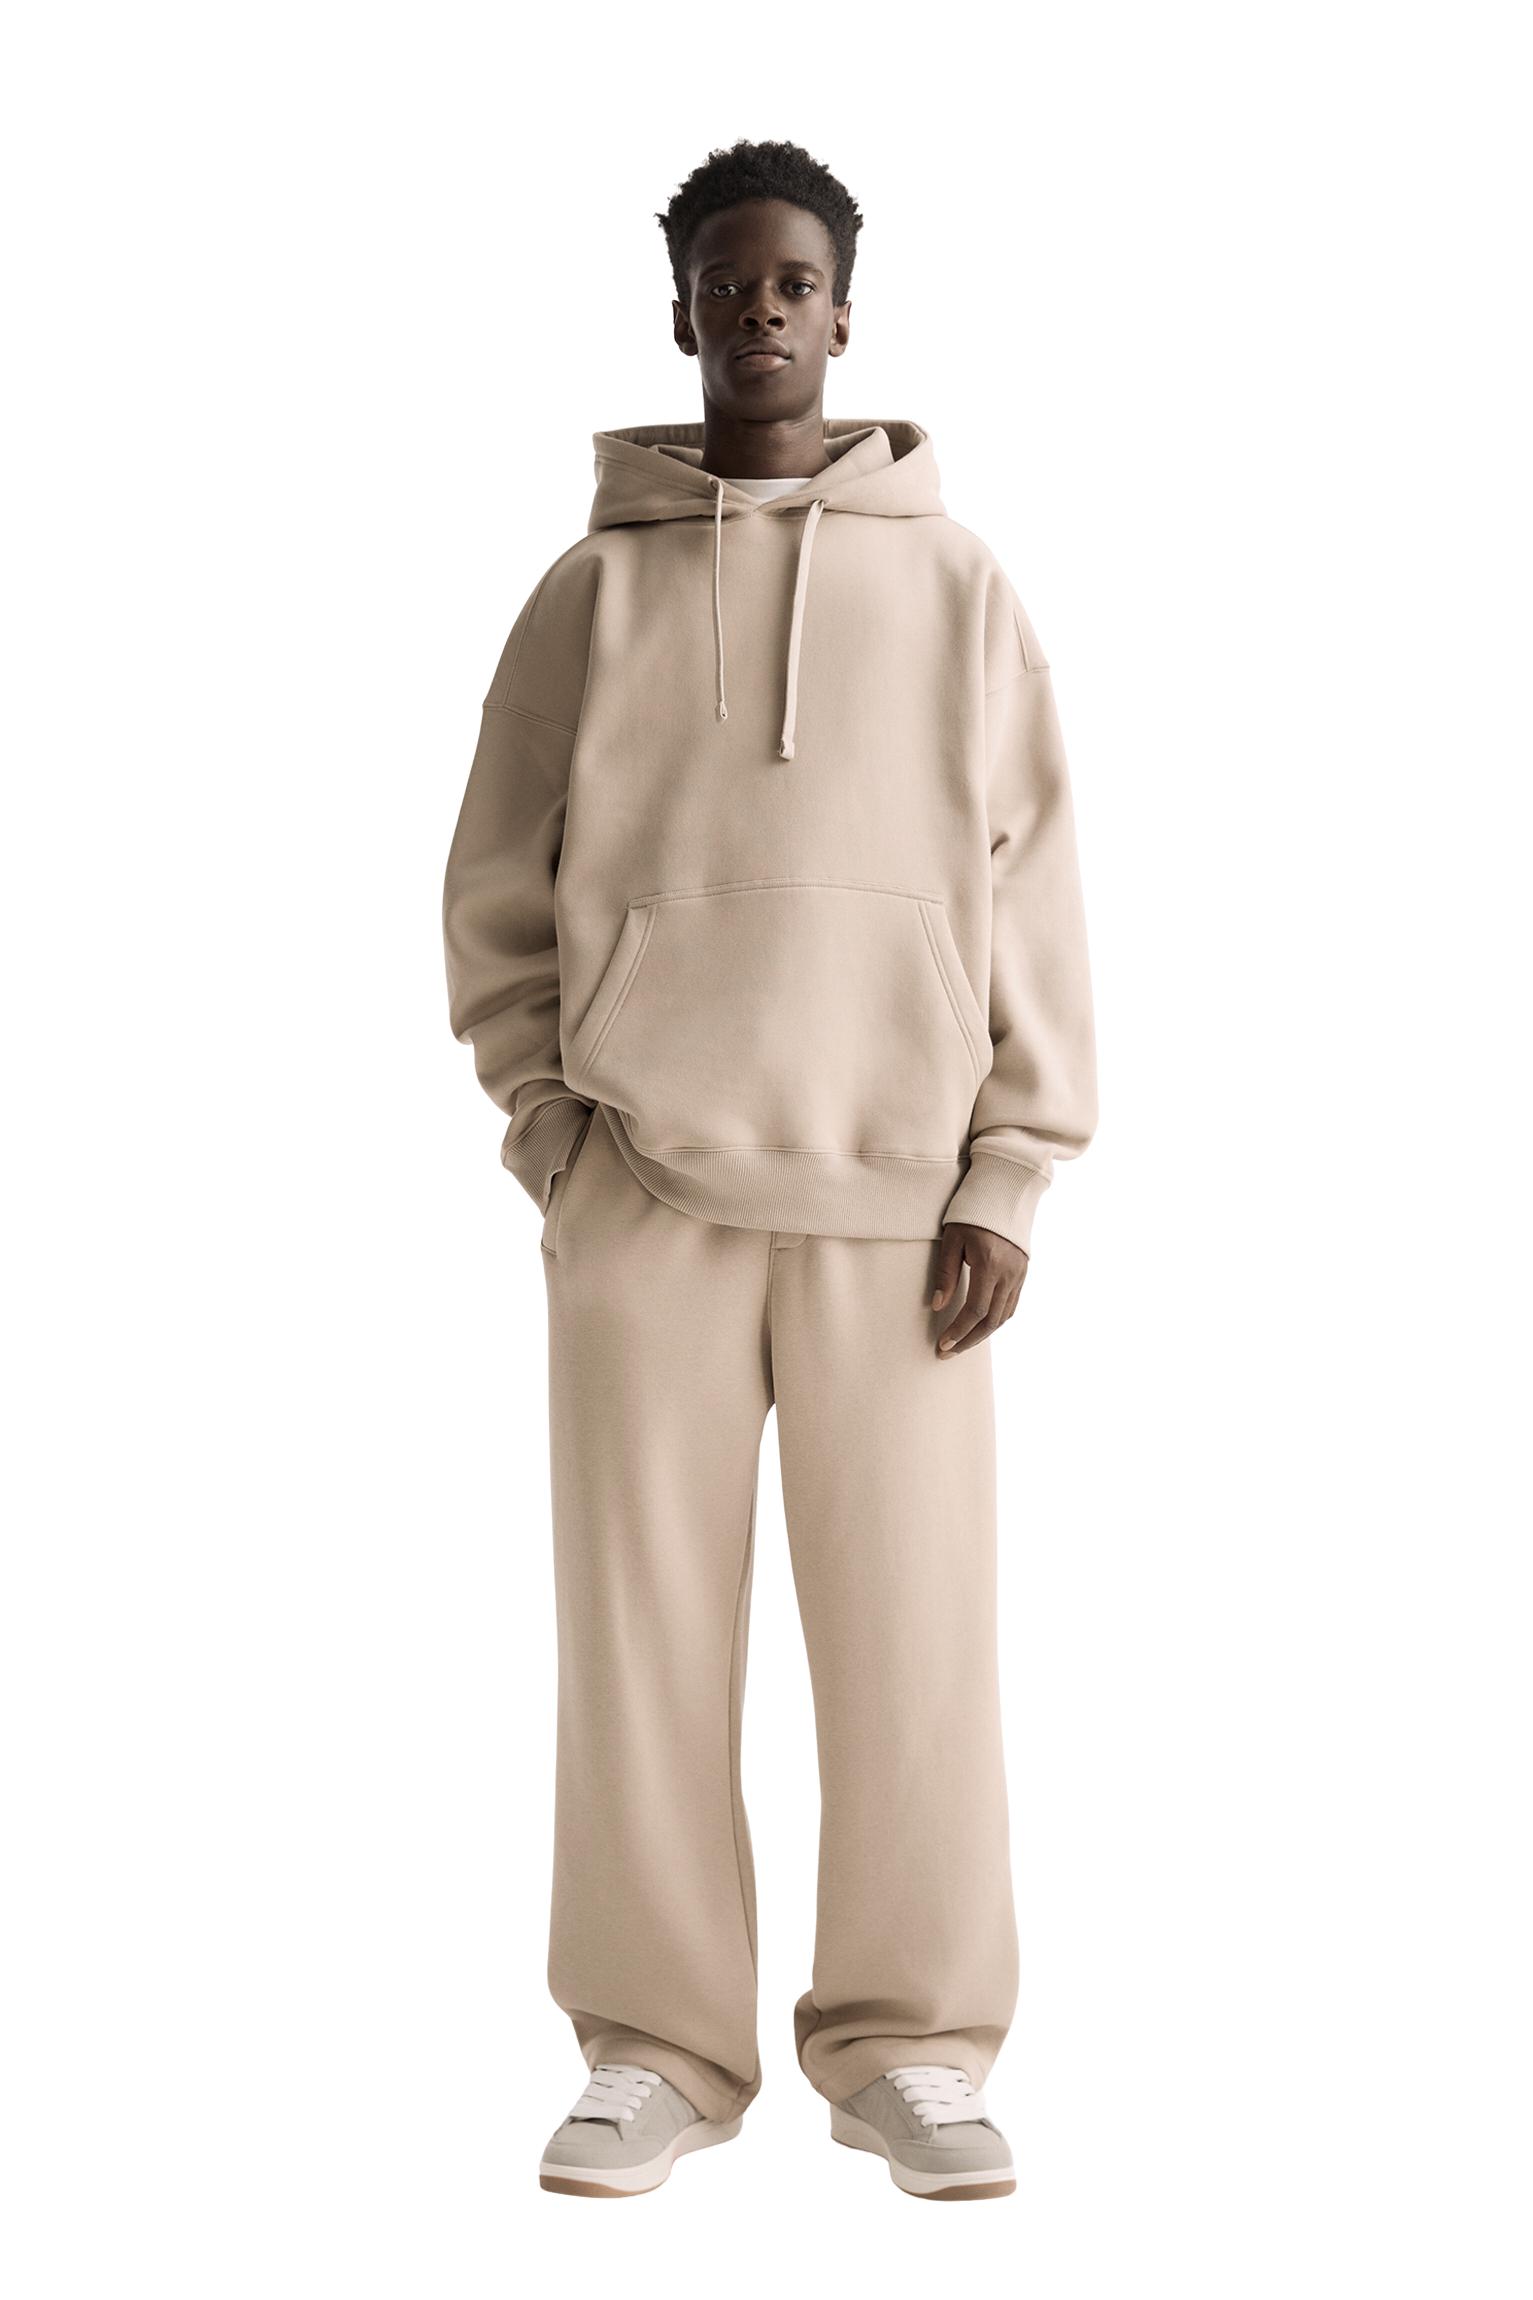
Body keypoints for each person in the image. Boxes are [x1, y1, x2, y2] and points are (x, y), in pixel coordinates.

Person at [442, 137, 1097, 2202]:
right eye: (725, 282)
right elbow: (495, 893)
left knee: (916, 1648)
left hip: (897, 1210)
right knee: (636, 1641)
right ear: (678, 312)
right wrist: (554, 1136)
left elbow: (1030, 888)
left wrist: (1005, 1175)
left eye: (791, 281)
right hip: (642, 1193)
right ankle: (652, 2045)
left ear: (843, 311)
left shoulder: (956, 585)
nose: (758, 311)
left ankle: (910, 2041)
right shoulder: (590, 594)